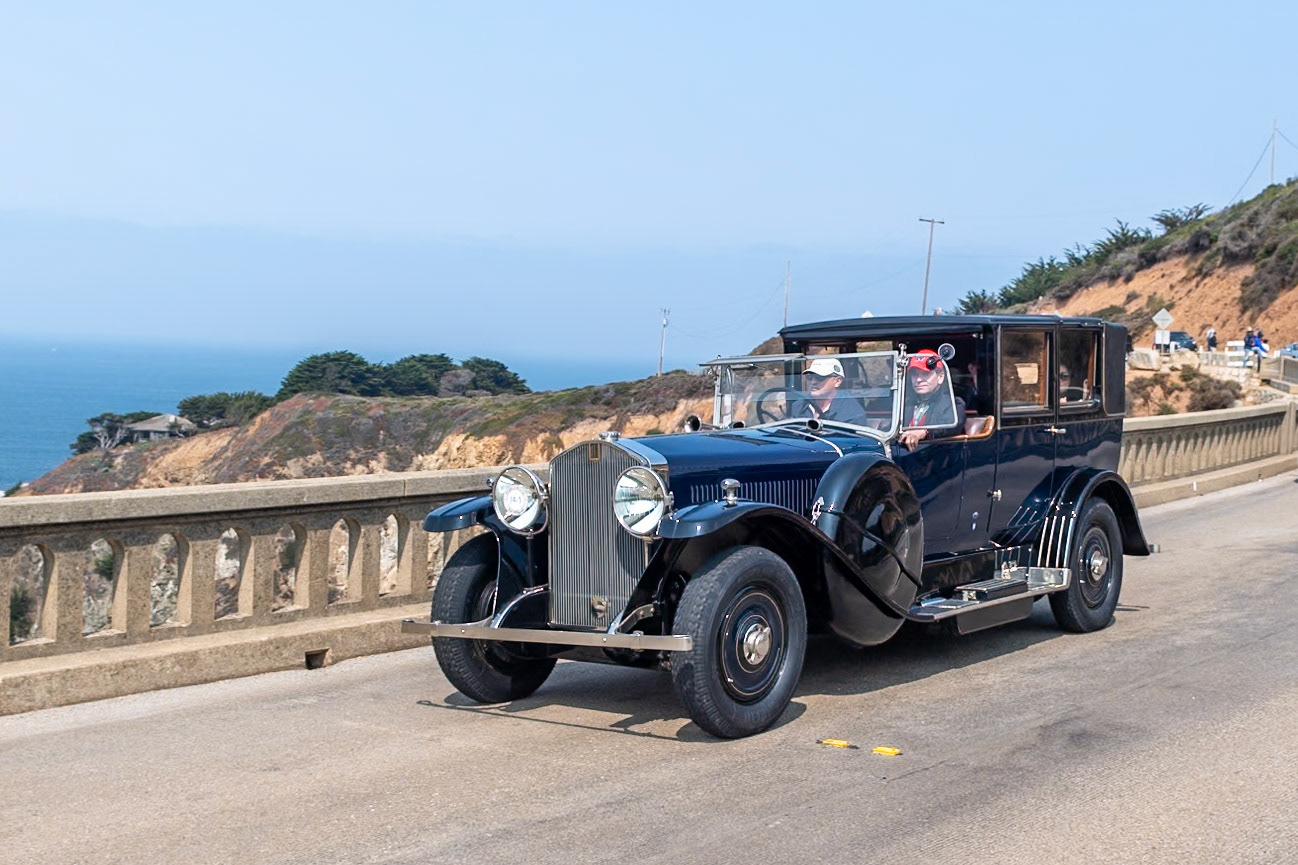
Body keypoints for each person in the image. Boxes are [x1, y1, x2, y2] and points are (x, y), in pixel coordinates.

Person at [898, 349, 966, 449]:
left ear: (940, 377)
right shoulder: (905, 404)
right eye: (915, 374)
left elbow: (952, 425)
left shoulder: (954, 404)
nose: (919, 380)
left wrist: (924, 432)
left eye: (925, 374)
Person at [791, 357, 870, 425]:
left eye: (820, 377)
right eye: (810, 377)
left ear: (837, 381)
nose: (813, 382)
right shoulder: (799, 406)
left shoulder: (852, 413)